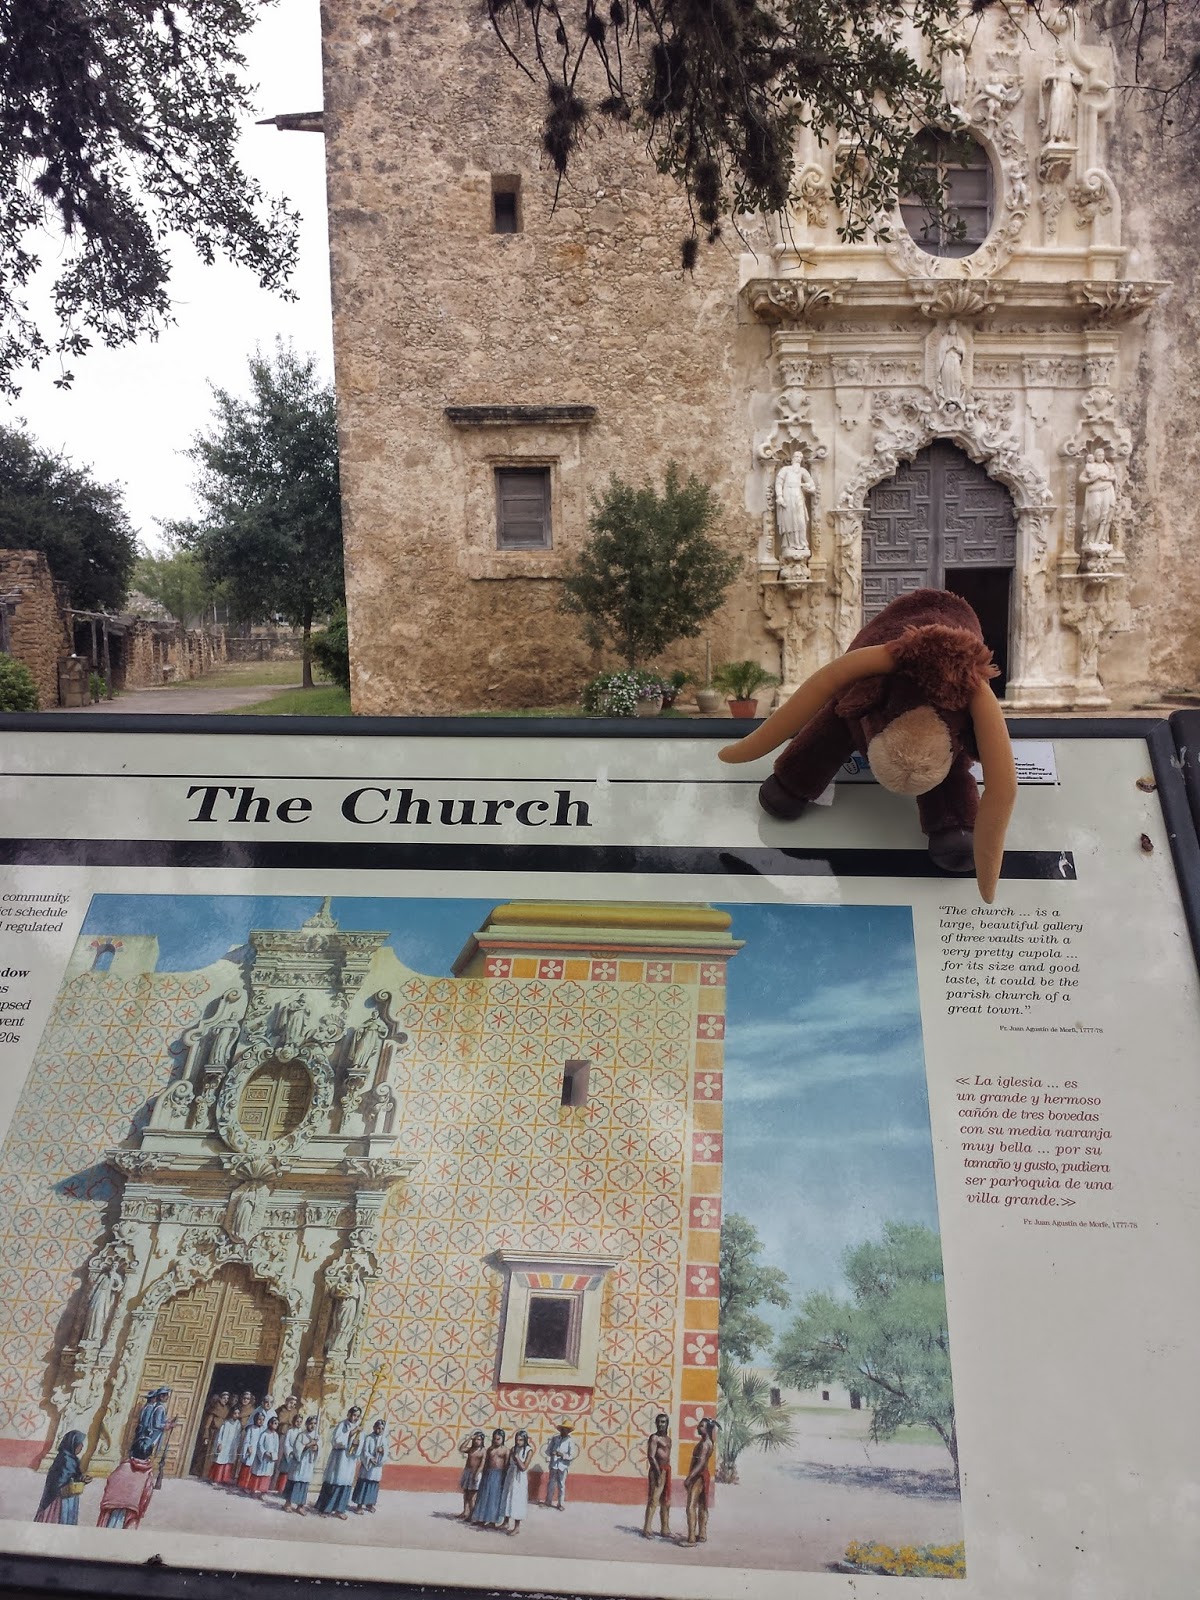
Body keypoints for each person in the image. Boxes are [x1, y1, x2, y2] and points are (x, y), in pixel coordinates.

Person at [34, 1431, 89, 1524]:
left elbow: (74, 1476)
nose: (82, 1446)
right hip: (58, 1498)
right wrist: (70, 1482)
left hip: (70, 1496)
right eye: (80, 1443)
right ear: (73, 1443)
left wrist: (82, 1479)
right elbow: (59, 1480)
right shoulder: (63, 1459)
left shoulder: (74, 1460)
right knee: (57, 1519)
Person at [315, 1406, 361, 1518]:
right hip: (339, 1459)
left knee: (345, 1484)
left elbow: (360, 1445)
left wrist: (356, 1445)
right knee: (334, 1482)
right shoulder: (342, 1425)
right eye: (354, 1415)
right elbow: (336, 1441)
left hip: (349, 1461)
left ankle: (340, 1510)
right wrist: (350, 1434)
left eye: (358, 1416)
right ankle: (326, 1509)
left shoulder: (360, 1428)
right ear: (349, 1414)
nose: (355, 1418)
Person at [683, 1417, 717, 1547]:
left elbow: (701, 1463)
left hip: (698, 1477)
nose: (698, 1427)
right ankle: (702, 1534)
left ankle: (691, 1539)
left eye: (701, 1426)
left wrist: (689, 1477)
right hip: (704, 1475)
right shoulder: (709, 1443)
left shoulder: (704, 1444)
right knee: (703, 1505)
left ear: (707, 1429)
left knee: (691, 1507)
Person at [97, 1455, 155, 1529]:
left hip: (113, 1504)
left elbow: (111, 1481)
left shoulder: (123, 1466)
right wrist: (142, 1511)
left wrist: (108, 1499)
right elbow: (147, 1494)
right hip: (132, 1507)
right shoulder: (148, 1473)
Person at [470, 1428, 510, 1527]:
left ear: (503, 1439)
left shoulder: (505, 1450)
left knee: (494, 1498)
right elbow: (486, 1462)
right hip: (488, 1474)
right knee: (484, 1497)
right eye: (494, 1439)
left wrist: (504, 1478)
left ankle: (492, 1521)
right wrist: (483, 1473)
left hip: (499, 1475)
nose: (496, 1441)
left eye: (498, 1439)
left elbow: (506, 1465)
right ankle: (481, 1519)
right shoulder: (490, 1449)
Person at [642, 1412, 672, 1539]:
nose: (661, 1424)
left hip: (666, 1470)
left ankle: (665, 1529)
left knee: (666, 1501)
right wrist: (659, 1474)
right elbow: (651, 1456)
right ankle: (647, 1529)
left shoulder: (668, 1439)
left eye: (663, 1422)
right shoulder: (654, 1438)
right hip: (656, 1471)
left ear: (667, 1424)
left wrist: (665, 1472)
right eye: (659, 1422)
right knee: (654, 1500)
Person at [282, 1415, 320, 1514]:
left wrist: (316, 1448)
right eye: (311, 1423)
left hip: (308, 1464)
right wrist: (308, 1445)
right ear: (306, 1424)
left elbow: (319, 1448)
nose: (312, 1426)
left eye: (315, 1424)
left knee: (304, 1485)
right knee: (294, 1482)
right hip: (299, 1464)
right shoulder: (301, 1435)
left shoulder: (316, 1436)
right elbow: (297, 1449)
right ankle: (288, 1503)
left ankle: (300, 1506)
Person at [499, 1428, 533, 1535]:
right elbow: (508, 1463)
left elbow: (523, 1467)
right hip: (511, 1475)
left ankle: (517, 1527)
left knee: (517, 1500)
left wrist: (517, 1457)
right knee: (507, 1497)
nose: (518, 1442)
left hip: (519, 1479)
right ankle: (505, 1522)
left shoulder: (529, 1451)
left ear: (525, 1440)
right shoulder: (514, 1448)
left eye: (521, 1440)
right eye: (517, 1439)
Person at [352, 1419, 387, 1513]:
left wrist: (382, 1451)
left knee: (373, 1485)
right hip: (367, 1467)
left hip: (376, 1468)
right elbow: (364, 1451)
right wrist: (370, 1458)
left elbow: (386, 1453)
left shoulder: (384, 1440)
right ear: (374, 1428)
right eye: (378, 1428)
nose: (380, 1430)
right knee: (364, 1485)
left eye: (382, 1429)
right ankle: (359, 1506)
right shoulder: (369, 1438)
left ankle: (370, 1504)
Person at [542, 1421, 577, 1510]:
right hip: (554, 1465)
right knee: (551, 1483)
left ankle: (560, 1504)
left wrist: (562, 1455)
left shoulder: (570, 1441)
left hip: (563, 1466)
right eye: (562, 1429)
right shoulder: (555, 1439)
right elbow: (548, 1450)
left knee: (561, 1485)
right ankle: (548, 1501)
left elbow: (571, 1456)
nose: (563, 1431)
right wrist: (552, 1453)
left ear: (568, 1431)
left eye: (565, 1430)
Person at [131, 1387, 173, 1460]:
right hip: (152, 1434)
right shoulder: (158, 1408)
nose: (167, 1397)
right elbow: (156, 1424)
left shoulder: (154, 1406)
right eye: (166, 1395)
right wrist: (167, 1425)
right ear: (161, 1396)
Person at [247, 1416, 281, 1496]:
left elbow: (276, 1447)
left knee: (267, 1474)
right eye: (275, 1423)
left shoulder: (276, 1435)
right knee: (259, 1473)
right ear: (270, 1424)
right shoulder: (264, 1434)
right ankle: (254, 1490)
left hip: (270, 1458)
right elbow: (260, 1445)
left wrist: (273, 1455)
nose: (276, 1425)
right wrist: (265, 1453)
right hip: (263, 1458)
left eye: (277, 1424)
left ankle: (262, 1492)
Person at [236, 1408, 267, 1493]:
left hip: (258, 1452)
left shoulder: (263, 1430)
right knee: (247, 1468)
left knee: (254, 1469)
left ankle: (251, 1486)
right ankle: (243, 1485)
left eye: (262, 1420)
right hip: (251, 1450)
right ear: (255, 1419)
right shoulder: (251, 1428)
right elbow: (247, 1440)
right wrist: (248, 1447)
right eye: (259, 1419)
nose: (261, 1421)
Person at [457, 1430, 486, 1520]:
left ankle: (472, 1514)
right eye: (475, 1439)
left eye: (479, 1439)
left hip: (476, 1473)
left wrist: (476, 1474)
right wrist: (469, 1438)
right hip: (468, 1472)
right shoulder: (471, 1449)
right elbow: (461, 1448)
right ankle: (465, 1512)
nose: (477, 1441)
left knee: (472, 1496)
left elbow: (482, 1464)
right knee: (466, 1493)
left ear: (482, 1441)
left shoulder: (483, 1451)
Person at [209, 1408, 241, 1486]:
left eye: (238, 1413)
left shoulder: (238, 1424)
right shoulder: (226, 1423)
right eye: (235, 1413)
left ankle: (225, 1479)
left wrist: (236, 1447)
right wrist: (219, 1443)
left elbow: (238, 1436)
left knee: (228, 1461)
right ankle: (216, 1479)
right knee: (220, 1460)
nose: (236, 1415)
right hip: (224, 1444)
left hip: (232, 1446)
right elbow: (220, 1434)